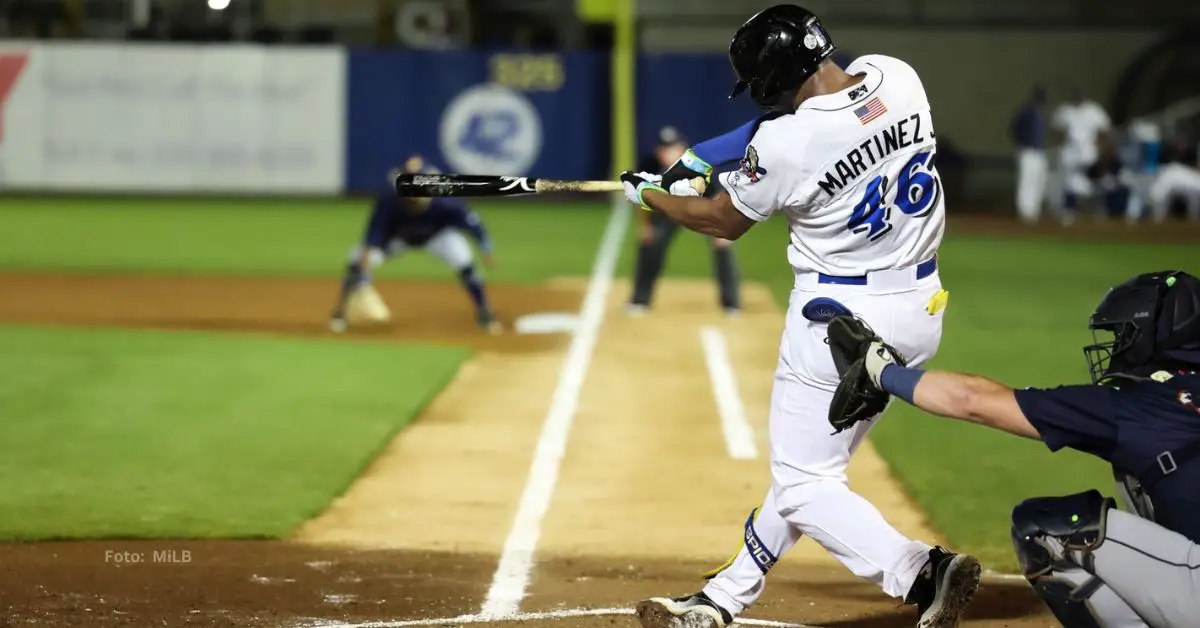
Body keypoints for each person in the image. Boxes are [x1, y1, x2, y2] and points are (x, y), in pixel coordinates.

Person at [619, 5, 980, 628]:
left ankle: (920, 569)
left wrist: (650, 193)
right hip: (919, 310)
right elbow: (789, 128)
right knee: (808, 469)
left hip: (837, 323)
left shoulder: (787, 144)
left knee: (803, 482)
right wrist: (702, 159)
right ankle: (722, 598)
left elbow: (720, 221)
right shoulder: (896, 76)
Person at [827, 269, 1200, 628]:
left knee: (1046, 528)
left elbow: (973, 399)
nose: (1117, 348)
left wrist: (882, 372)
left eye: (1126, 336)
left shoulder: (1142, 406)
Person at [329, 154, 500, 334]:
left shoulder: (445, 201)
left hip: (437, 236)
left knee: (464, 261)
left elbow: (472, 223)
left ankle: (484, 311)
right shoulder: (390, 200)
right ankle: (340, 312)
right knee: (356, 260)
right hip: (398, 238)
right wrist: (364, 267)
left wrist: (485, 248)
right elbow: (375, 232)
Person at [628, 125, 741, 317]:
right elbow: (642, 198)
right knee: (651, 242)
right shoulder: (650, 167)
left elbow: (717, 197)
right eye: (664, 148)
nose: (668, 153)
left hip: (701, 209)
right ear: (658, 151)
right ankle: (640, 300)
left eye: (673, 147)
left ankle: (731, 304)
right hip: (667, 211)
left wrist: (722, 228)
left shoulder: (698, 166)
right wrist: (646, 226)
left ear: (682, 148)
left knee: (723, 246)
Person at [1051, 88, 1112, 224]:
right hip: (1069, 152)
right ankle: (1069, 211)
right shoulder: (1065, 110)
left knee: (1094, 182)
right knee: (1068, 183)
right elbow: (1056, 130)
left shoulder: (1095, 111)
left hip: (1088, 152)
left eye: (1083, 96)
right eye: (1078, 96)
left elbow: (1105, 131)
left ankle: (1098, 211)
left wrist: (1103, 151)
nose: (1080, 99)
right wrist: (1061, 143)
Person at [1011, 85, 1050, 223]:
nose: (1046, 99)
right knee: (1026, 182)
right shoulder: (1026, 111)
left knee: (1038, 182)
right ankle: (1024, 213)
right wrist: (1022, 143)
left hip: (1039, 152)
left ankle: (1034, 212)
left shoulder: (1041, 113)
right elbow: (1014, 128)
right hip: (1027, 151)